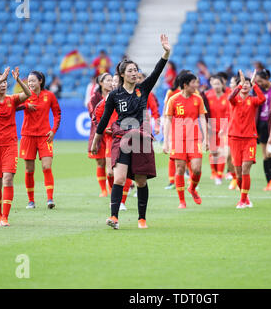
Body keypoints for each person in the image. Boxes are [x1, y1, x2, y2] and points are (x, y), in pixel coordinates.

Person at [91, 34, 171, 230]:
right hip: (121, 138)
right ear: (122, 74)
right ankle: (114, 217)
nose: (135, 73)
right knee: (118, 178)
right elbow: (103, 119)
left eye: (136, 70)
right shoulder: (114, 95)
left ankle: (142, 218)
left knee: (141, 181)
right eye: (131, 70)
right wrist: (96, 140)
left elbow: (157, 72)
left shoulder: (143, 89)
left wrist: (166, 53)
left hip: (141, 139)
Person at [0, 67, 31, 226]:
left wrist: (18, 81)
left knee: (8, 179)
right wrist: (1, 78)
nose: (3, 84)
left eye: (5, 82)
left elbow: (29, 94)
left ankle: (5, 217)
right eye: (0, 82)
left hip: (9, 144)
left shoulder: (12, 99)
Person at [163, 73, 208, 209]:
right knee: (180, 169)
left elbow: (202, 118)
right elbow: (168, 120)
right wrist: (166, 142)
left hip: (194, 138)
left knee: (197, 168)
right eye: (194, 83)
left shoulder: (198, 99)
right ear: (185, 85)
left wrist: (205, 138)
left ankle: (192, 188)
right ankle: (182, 201)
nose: (197, 85)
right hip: (178, 140)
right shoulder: (173, 100)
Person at [20, 71, 61, 210]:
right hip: (27, 136)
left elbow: (57, 114)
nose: (30, 83)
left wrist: (53, 130)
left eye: (33, 81)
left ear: (40, 81)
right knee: (29, 169)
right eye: (29, 81)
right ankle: (31, 201)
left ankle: (50, 199)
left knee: (46, 166)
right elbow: (12, 106)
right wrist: (25, 106)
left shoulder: (49, 95)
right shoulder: (25, 95)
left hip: (45, 136)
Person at [228, 70, 265, 208]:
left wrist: (255, 85)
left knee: (245, 169)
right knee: (238, 174)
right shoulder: (235, 100)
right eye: (243, 84)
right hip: (235, 138)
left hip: (249, 138)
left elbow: (262, 99)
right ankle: (245, 197)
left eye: (247, 84)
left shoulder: (253, 100)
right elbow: (229, 98)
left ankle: (242, 200)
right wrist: (239, 85)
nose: (245, 86)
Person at [88, 73, 113, 198]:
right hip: (99, 134)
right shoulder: (94, 98)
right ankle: (103, 190)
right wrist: (103, 129)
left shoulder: (116, 96)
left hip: (113, 134)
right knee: (101, 162)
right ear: (101, 83)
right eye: (108, 80)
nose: (110, 82)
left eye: (112, 80)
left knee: (112, 164)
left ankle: (112, 188)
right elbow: (93, 116)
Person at [206, 74, 231, 185]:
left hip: (223, 128)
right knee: (213, 152)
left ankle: (220, 174)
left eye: (218, 84)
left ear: (222, 84)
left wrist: (225, 127)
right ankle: (214, 172)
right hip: (211, 127)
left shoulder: (227, 97)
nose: (216, 86)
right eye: (214, 84)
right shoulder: (208, 96)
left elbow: (229, 114)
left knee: (222, 152)